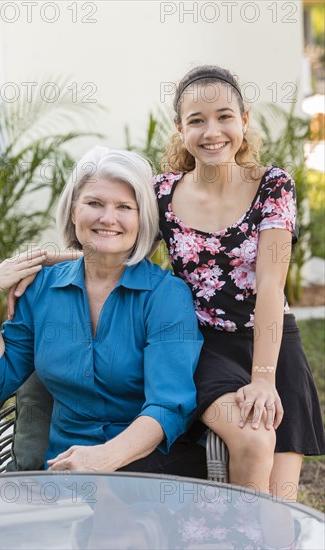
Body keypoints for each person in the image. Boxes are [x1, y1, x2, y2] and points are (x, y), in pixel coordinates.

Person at [0, 147, 206, 476]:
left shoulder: (165, 296)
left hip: (146, 470)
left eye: (124, 207)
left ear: (143, 220)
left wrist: (102, 459)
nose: (107, 218)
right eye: (94, 203)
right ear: (72, 212)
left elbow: (168, 406)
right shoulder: (41, 288)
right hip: (62, 470)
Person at [152, 65, 325, 498]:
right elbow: (116, 248)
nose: (212, 131)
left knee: (279, 509)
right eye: (197, 120)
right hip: (205, 348)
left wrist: (264, 378)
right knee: (251, 443)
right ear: (180, 129)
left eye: (224, 116)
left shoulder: (272, 185)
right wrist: (41, 265)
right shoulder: (162, 193)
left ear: (244, 120)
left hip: (273, 346)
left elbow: (270, 284)